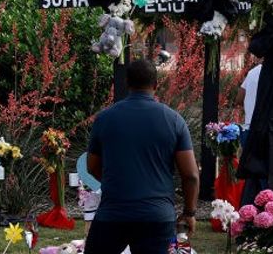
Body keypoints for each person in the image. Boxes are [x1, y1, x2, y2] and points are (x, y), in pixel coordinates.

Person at [84, 59, 198, 254]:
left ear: (127, 83)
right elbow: (191, 176)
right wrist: (189, 213)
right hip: (157, 216)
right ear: (155, 84)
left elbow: (92, 167)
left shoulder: (104, 118)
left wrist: (117, 183)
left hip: (113, 213)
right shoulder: (174, 120)